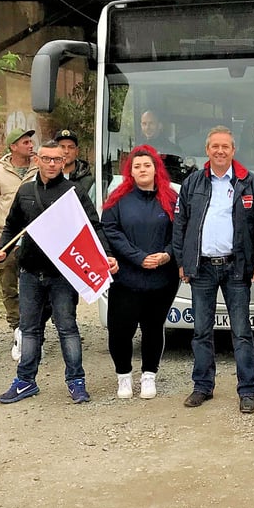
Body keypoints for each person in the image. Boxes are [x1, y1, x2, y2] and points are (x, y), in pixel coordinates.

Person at [0, 141, 117, 404]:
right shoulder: (25, 192)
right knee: (29, 329)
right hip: (30, 272)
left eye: (57, 159)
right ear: (37, 159)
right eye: (46, 158)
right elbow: (12, 226)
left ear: (64, 161)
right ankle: (25, 381)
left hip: (63, 274)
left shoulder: (73, 193)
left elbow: (93, 227)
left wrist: (106, 254)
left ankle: (76, 381)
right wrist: (1, 248)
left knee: (67, 328)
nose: (51, 164)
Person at [172, 126, 254, 414]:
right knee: (201, 331)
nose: (220, 151)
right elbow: (180, 226)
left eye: (225, 146)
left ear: (233, 150)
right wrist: (182, 262)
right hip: (201, 269)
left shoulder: (249, 183)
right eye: (215, 146)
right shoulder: (192, 183)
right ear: (207, 150)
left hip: (236, 268)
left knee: (241, 332)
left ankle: (247, 391)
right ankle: (202, 386)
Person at [101, 145, 181, 399]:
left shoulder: (171, 199)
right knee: (120, 329)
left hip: (162, 277)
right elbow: (110, 231)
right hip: (126, 277)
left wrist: (167, 254)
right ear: (130, 171)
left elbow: (180, 233)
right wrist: (138, 257)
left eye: (147, 165)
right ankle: (124, 376)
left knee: (153, 327)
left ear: (156, 168)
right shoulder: (117, 199)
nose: (143, 169)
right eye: (137, 166)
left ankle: (149, 375)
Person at [0, 128, 38, 359]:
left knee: (35, 285)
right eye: (25, 142)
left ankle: (33, 330)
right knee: (9, 286)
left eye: (31, 141)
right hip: (8, 240)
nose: (31, 145)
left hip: (35, 241)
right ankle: (17, 328)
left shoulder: (39, 170)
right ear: (13, 146)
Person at [139, 109, 190, 182]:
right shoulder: (139, 149)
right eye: (144, 124)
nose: (147, 128)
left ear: (160, 126)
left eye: (151, 123)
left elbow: (177, 178)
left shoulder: (172, 150)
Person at [55, 129, 95, 198]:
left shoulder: (88, 182)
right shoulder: (45, 177)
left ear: (77, 151)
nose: (66, 151)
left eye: (71, 147)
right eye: (62, 147)